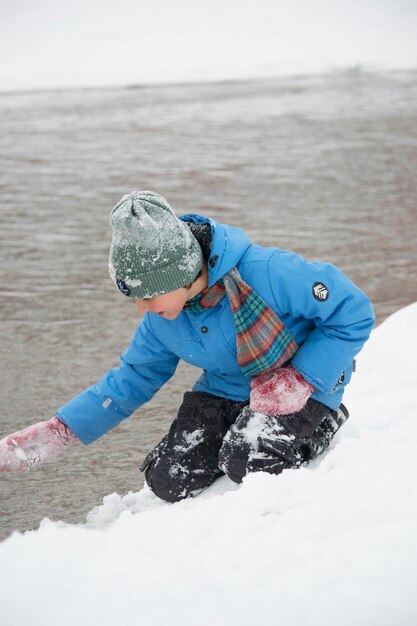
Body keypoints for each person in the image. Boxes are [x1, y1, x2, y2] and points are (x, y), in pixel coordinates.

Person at [0, 191, 375, 501]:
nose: (142, 308)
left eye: (149, 296)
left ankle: (324, 420)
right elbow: (132, 380)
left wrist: (302, 377)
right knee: (168, 479)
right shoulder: (162, 319)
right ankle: (236, 430)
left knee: (251, 461)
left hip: (301, 382)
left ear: (178, 274)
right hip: (226, 390)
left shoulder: (269, 272)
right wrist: (60, 430)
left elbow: (353, 312)